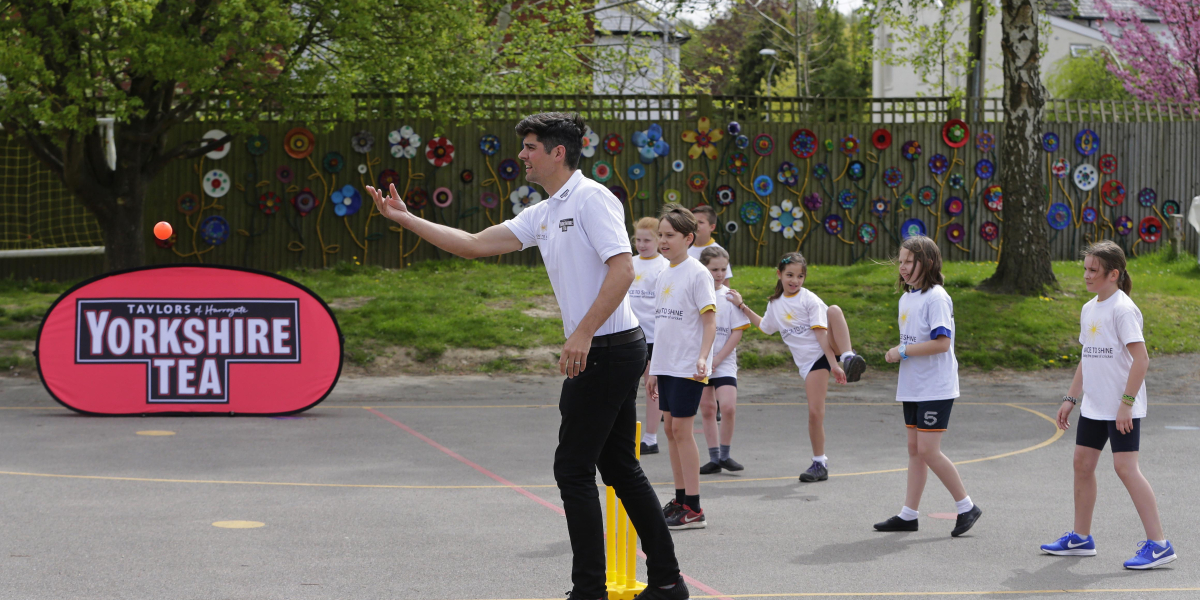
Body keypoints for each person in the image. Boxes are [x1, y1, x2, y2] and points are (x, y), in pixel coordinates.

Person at [365, 113, 688, 600]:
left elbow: (622, 270)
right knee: (620, 468)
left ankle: (589, 591)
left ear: (558, 153)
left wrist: (580, 333)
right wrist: (406, 218)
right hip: (610, 349)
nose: (522, 155)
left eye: (531, 147)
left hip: (608, 349)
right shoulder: (544, 212)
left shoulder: (591, 198)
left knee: (573, 470)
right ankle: (667, 582)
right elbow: (474, 246)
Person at [1040, 240, 1176, 569]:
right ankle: (1081, 538)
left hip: (1121, 407)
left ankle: (1159, 544)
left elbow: (1141, 360)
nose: (1086, 275)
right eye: (1085, 269)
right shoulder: (1090, 308)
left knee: (1125, 468)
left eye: (1093, 270)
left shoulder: (1123, 309)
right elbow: (1087, 358)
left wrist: (1126, 404)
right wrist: (1071, 398)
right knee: (1082, 465)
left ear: (1113, 274)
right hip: (1095, 406)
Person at [873, 235, 981, 537]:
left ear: (928, 263)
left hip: (936, 387)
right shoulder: (906, 298)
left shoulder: (937, 297)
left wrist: (902, 351)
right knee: (914, 450)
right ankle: (908, 515)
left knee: (928, 450)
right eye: (901, 261)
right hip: (913, 386)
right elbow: (916, 339)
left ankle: (966, 506)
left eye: (909, 261)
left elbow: (942, 343)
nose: (903, 267)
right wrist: (901, 349)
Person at [727, 252, 866, 482]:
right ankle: (820, 464)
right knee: (814, 414)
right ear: (779, 274)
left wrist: (835, 364)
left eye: (800, 276)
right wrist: (741, 305)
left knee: (833, 310)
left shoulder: (808, 299)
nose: (795, 280)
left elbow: (821, 336)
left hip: (824, 353)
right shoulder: (775, 303)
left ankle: (849, 357)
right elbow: (765, 326)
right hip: (808, 362)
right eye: (790, 275)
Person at [646, 203, 717, 531]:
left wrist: (703, 357)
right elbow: (661, 326)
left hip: (689, 365)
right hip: (668, 364)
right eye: (660, 234)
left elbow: (710, 322)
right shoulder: (663, 273)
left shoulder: (698, 273)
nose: (663, 240)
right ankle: (679, 499)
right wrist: (654, 369)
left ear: (688, 238)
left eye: (669, 235)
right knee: (671, 431)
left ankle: (694, 507)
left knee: (682, 432)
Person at [696, 246, 751, 474]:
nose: (719, 274)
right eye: (714, 269)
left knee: (727, 407)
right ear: (703, 269)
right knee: (707, 409)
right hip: (700, 361)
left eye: (722, 269)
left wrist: (718, 358)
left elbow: (737, 331)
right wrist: (704, 358)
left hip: (724, 361)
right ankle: (714, 458)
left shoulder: (730, 297)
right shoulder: (696, 294)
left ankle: (726, 454)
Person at [629, 216, 669, 455]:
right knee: (627, 387)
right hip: (631, 334)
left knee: (652, 387)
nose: (642, 245)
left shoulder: (663, 267)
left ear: (658, 240)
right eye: (638, 240)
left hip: (654, 336)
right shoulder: (629, 262)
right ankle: (626, 435)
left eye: (647, 240)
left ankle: (651, 438)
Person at [687, 205, 732, 280]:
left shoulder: (719, 252)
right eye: (693, 222)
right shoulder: (685, 248)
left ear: (712, 227)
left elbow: (725, 284)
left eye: (701, 222)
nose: (696, 226)